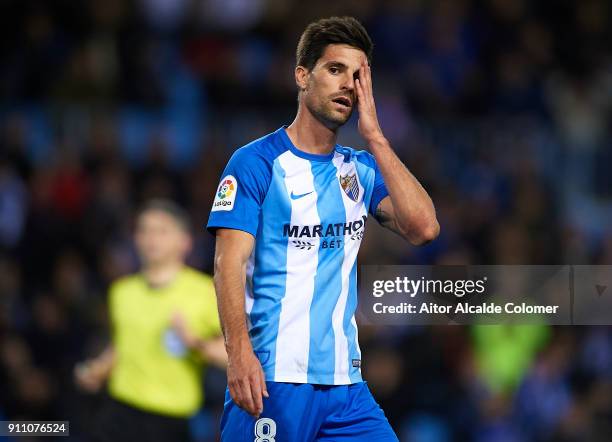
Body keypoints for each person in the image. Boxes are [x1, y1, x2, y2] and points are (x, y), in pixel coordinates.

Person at [207, 16, 439, 441]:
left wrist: (376, 138)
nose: (347, 85)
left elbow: (423, 228)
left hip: (346, 389)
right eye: (335, 70)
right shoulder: (256, 163)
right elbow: (227, 263)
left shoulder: (361, 169)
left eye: (357, 76)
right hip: (271, 379)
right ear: (302, 76)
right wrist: (238, 354)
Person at [75, 199, 227, 442]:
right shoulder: (121, 292)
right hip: (119, 410)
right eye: (144, 230)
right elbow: (123, 344)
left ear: (185, 241)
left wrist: (195, 343)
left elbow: (235, 357)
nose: (151, 238)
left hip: (170, 418)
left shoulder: (206, 293)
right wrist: (98, 370)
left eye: (162, 231)